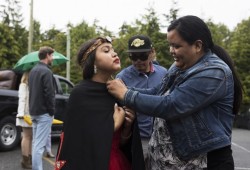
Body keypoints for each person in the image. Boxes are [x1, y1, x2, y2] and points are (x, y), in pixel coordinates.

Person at [107, 15, 243, 170]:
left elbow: (172, 105)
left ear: (197, 45)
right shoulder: (180, 65)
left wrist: (126, 94)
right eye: (170, 45)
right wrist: (121, 89)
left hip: (206, 161)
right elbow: (158, 92)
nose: (172, 51)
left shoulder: (214, 72)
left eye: (176, 46)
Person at [55, 36, 145, 170]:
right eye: (106, 51)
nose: (114, 53)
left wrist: (127, 128)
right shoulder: (80, 94)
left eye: (113, 50)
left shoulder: (118, 90)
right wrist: (114, 125)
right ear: (93, 62)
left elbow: (120, 144)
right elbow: (77, 143)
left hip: (118, 162)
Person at [116, 35, 167, 158]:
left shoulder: (164, 73)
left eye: (142, 56)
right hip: (138, 139)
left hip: (162, 139)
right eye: (133, 56)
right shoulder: (122, 78)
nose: (138, 60)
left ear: (152, 53)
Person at [29, 46, 55, 170]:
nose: (53, 58)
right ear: (47, 56)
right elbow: (49, 94)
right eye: (52, 55)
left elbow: (32, 91)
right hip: (44, 113)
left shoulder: (33, 70)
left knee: (36, 144)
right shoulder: (46, 71)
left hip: (33, 111)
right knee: (39, 146)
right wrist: (51, 112)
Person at [16, 71, 32, 169]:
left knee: (30, 137)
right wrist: (21, 114)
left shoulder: (30, 85)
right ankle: (25, 161)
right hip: (24, 115)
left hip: (30, 115)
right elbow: (22, 99)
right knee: (26, 137)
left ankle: (29, 158)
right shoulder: (23, 85)